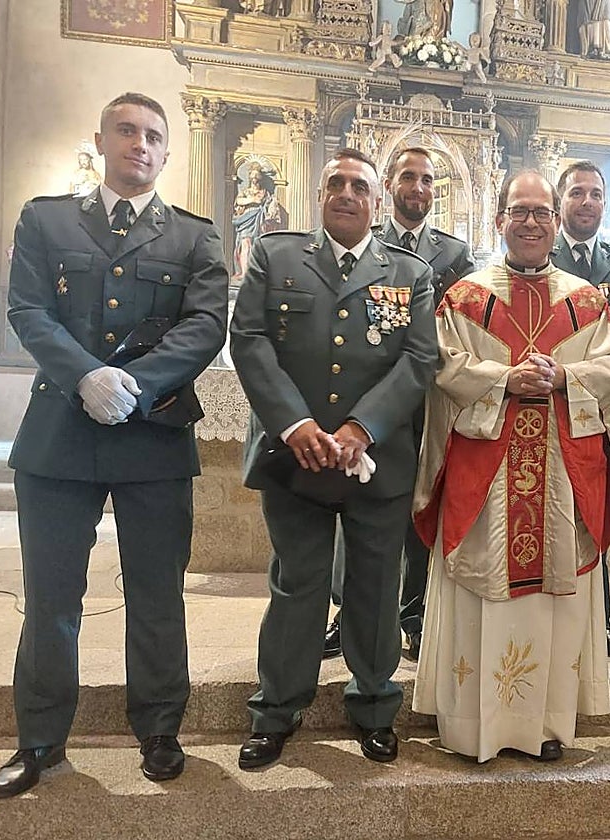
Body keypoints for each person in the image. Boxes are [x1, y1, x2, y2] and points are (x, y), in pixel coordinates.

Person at [0, 92, 228, 798]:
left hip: (152, 437)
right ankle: (38, 742)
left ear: (166, 152)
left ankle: (158, 730)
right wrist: (83, 376)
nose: (141, 144)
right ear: (101, 139)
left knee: (158, 596)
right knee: (51, 598)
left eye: (154, 136)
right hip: (59, 436)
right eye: (127, 131)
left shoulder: (194, 237)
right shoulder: (46, 218)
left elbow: (204, 324)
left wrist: (128, 382)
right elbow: (27, 308)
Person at [411, 170, 610, 762]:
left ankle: (543, 725)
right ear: (499, 220)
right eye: (520, 212)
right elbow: (440, 368)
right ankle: (473, 726)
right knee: (485, 592)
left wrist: (565, 377)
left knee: (549, 597)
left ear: (557, 223)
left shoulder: (586, 300)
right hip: (487, 475)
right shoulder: (463, 297)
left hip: (559, 476)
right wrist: (503, 379)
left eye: (541, 212)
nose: (531, 223)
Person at [230, 148, 439, 769]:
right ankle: (276, 709)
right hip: (293, 457)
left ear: (377, 204)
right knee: (300, 582)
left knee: (375, 589)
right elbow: (250, 338)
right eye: (335, 184)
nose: (346, 193)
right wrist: (295, 424)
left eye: (359, 186)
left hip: (377, 461)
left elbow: (420, 359)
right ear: (320, 195)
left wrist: (360, 428)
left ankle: (374, 705)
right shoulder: (276, 254)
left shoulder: (409, 272)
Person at [321, 147, 473, 663]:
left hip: (430, 404)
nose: (418, 188)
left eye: (428, 180)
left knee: (418, 510)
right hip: (369, 405)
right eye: (408, 177)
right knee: (353, 505)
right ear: (388, 186)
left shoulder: (455, 255)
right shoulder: (365, 241)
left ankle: (412, 611)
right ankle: (347, 614)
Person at [551, 159, 610, 657]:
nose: (587, 203)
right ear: (560, 204)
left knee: (597, 510)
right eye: (577, 193)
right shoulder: (539, 253)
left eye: (596, 194)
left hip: (603, 410)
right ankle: (554, 612)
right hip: (549, 411)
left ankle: (598, 619)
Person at [232, 164, 285, 282]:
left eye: (257, 175)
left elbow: (271, 203)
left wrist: (271, 206)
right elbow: (239, 201)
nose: (255, 178)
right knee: (245, 244)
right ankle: (244, 273)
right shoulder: (245, 191)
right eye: (253, 175)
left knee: (257, 246)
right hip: (246, 220)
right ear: (250, 177)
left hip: (259, 220)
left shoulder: (265, 192)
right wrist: (253, 200)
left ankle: (254, 273)